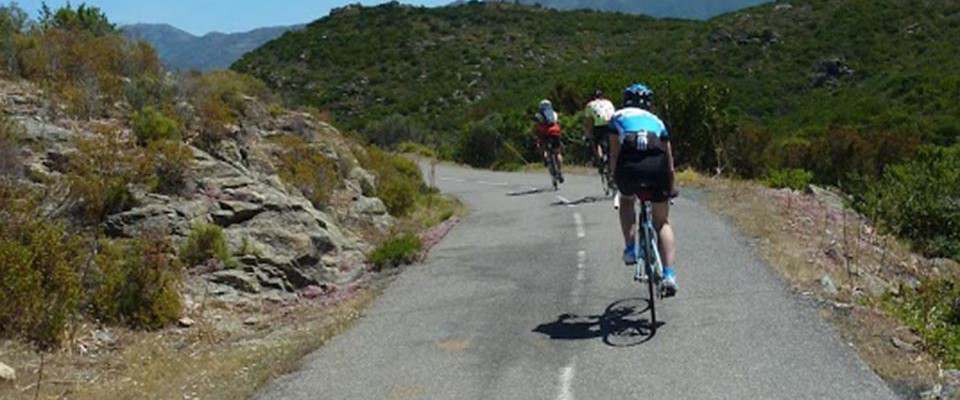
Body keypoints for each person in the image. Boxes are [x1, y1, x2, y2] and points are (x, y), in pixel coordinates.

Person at [609, 84, 679, 296]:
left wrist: (617, 180)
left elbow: (614, 154)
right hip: (657, 172)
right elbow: (670, 162)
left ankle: (630, 249)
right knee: (662, 222)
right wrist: (671, 187)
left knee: (627, 200)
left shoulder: (617, 117)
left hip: (629, 170)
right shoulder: (657, 122)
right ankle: (669, 275)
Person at [583, 89, 617, 188]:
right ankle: (613, 165)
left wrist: (587, 134)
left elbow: (589, 122)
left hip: (599, 127)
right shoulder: (608, 102)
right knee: (612, 148)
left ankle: (601, 160)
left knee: (596, 143)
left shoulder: (590, 105)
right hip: (611, 126)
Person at [535, 99, 564, 183]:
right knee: (558, 152)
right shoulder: (554, 113)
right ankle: (559, 171)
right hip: (555, 133)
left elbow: (537, 126)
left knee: (542, 147)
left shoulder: (538, 115)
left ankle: (545, 159)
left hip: (544, 134)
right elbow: (558, 123)